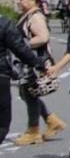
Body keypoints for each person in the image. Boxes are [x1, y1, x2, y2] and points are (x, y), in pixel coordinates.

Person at [13, 0, 65, 145]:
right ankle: (51, 120)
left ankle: (33, 130)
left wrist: (21, 44)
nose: (19, 2)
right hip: (29, 61)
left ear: (33, 0)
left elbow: (43, 37)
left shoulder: (35, 16)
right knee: (27, 93)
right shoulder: (28, 15)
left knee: (29, 93)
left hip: (36, 62)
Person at [0, 14, 48, 146]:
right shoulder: (4, 24)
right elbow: (20, 49)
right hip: (1, 76)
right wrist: (38, 63)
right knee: (2, 123)